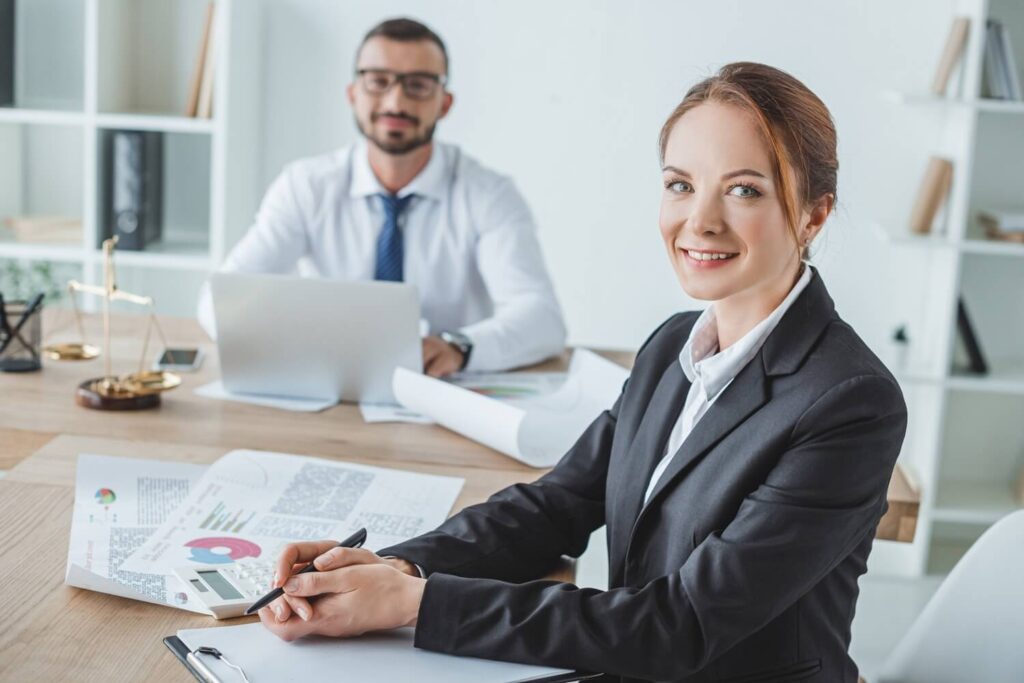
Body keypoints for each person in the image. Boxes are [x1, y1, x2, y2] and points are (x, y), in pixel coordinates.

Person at [256, 62, 908, 683]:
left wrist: (414, 603)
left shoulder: (849, 402)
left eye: (743, 190)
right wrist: (397, 565)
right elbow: (557, 504)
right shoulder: (672, 346)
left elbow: (681, 624)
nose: (699, 221)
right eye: (680, 184)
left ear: (813, 214)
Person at [197, 17, 566, 377]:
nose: (395, 101)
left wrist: (457, 346)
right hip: (330, 388)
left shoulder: (489, 195)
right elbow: (220, 302)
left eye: (418, 85)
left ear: (445, 103)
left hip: (443, 391)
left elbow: (542, 319)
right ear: (353, 93)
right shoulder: (306, 186)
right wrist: (294, 344)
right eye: (378, 82)